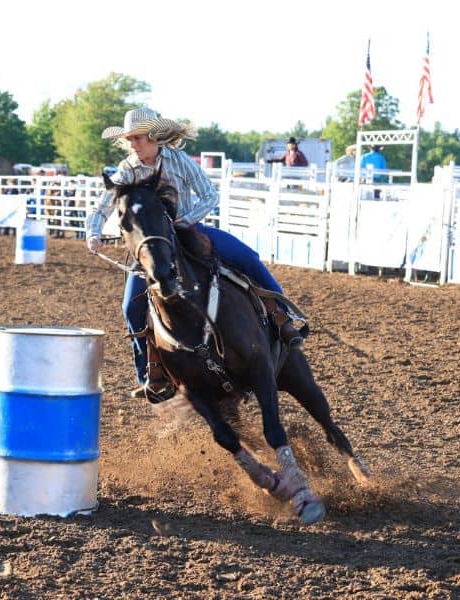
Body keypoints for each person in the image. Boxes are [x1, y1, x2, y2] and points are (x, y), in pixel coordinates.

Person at [86, 108, 306, 401]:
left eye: (137, 138)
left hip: (189, 232)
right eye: (130, 140)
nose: (133, 145)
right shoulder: (127, 169)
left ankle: (283, 316)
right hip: (151, 247)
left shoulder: (177, 160)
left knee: (246, 258)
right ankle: (150, 374)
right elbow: (103, 206)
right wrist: (93, 231)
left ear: (153, 137)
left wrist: (186, 220)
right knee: (131, 307)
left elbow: (209, 195)